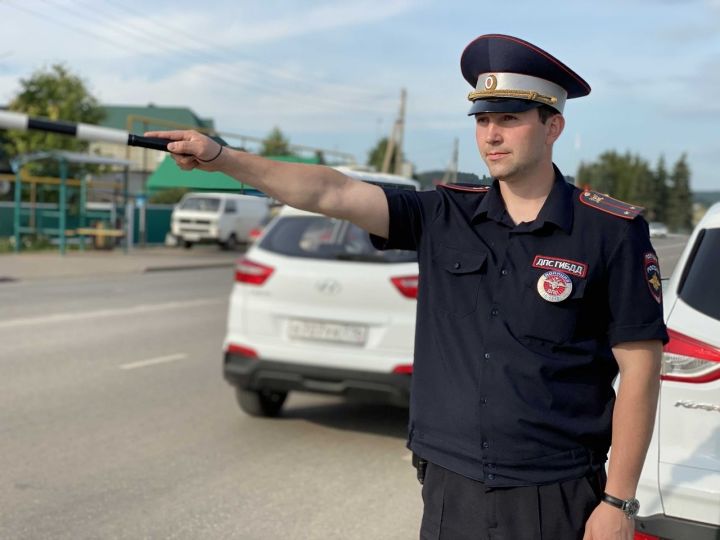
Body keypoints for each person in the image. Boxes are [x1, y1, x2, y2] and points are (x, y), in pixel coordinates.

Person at [147, 33, 667, 540]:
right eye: (483, 120)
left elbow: (640, 370)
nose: (491, 136)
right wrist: (223, 158)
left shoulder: (609, 231)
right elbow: (331, 190)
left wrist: (618, 501)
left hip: (554, 493)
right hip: (449, 485)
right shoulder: (444, 214)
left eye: (509, 119)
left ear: (553, 125)